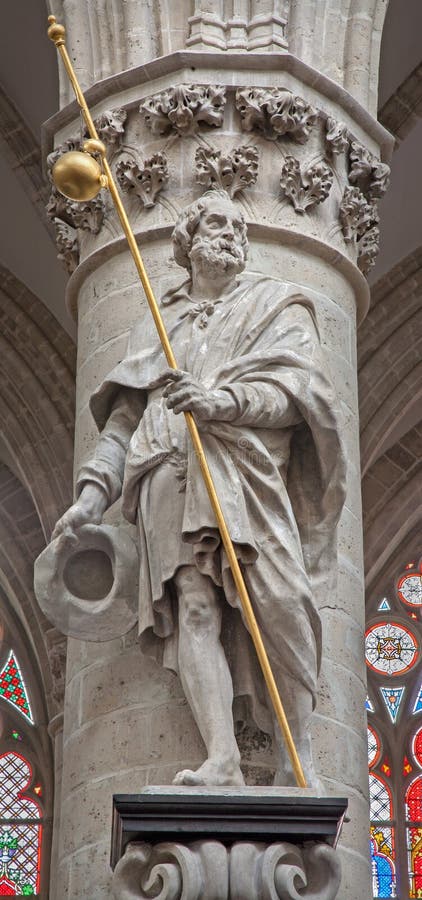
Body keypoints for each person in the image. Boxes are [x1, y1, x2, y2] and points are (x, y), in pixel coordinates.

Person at [52, 190, 346, 788]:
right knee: (193, 608)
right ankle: (223, 758)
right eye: (217, 222)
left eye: (239, 225)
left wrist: (221, 402)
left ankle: (299, 755)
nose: (231, 233)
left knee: (282, 608)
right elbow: (123, 422)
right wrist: (91, 495)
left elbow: (301, 396)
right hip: (168, 468)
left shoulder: (276, 305)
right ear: (188, 241)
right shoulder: (161, 322)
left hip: (248, 474)